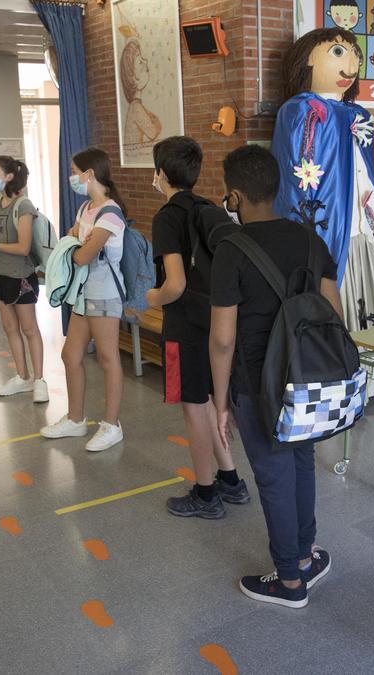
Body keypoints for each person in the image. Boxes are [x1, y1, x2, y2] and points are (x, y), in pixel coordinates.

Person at [210, 145, 339, 608]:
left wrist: (222, 400)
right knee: (301, 463)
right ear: (278, 188)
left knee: (273, 477)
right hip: (306, 380)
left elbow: (222, 339)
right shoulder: (310, 240)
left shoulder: (230, 250)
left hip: (255, 386)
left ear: (236, 195)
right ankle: (305, 556)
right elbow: (333, 314)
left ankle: (288, 581)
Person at [273, 27, 374, 399]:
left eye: (354, 54)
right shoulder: (300, 109)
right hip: (327, 223)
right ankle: (338, 372)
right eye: (338, 52)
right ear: (306, 61)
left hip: (364, 220)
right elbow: (301, 172)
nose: (350, 63)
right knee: (337, 289)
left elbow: (362, 162)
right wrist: (343, 119)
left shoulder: (354, 112)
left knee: (373, 290)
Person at [145, 136, 249, 519]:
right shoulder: (207, 208)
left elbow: (175, 285)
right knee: (210, 402)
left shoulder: (167, 217)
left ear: (160, 173)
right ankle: (230, 479)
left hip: (186, 326)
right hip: (217, 322)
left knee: (194, 407)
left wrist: (151, 297)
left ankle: (206, 494)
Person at [39, 148, 125, 452]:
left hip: (104, 296)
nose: (72, 176)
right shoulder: (85, 208)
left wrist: (77, 246)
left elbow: (81, 255)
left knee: (107, 358)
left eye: (75, 171)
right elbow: (75, 239)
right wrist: (78, 243)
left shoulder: (110, 213)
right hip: (83, 294)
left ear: (90, 174)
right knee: (70, 354)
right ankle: (75, 419)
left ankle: (111, 425)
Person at [0, 156, 48, 403]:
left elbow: (23, 247)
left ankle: (39, 380)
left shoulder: (24, 206)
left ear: (8, 177)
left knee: (29, 329)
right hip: (1, 275)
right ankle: (22, 376)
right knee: (9, 328)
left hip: (21, 276)